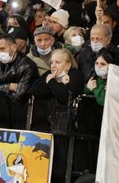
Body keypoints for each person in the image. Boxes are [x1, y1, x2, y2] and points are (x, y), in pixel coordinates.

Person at [30, 48, 84, 183]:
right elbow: (35, 90)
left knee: (62, 164)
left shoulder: (76, 75)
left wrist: (52, 83)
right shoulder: (49, 74)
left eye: (58, 62)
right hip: (46, 125)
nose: (53, 65)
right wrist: (56, 84)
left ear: (68, 65)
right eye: (52, 62)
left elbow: (64, 97)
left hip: (67, 127)